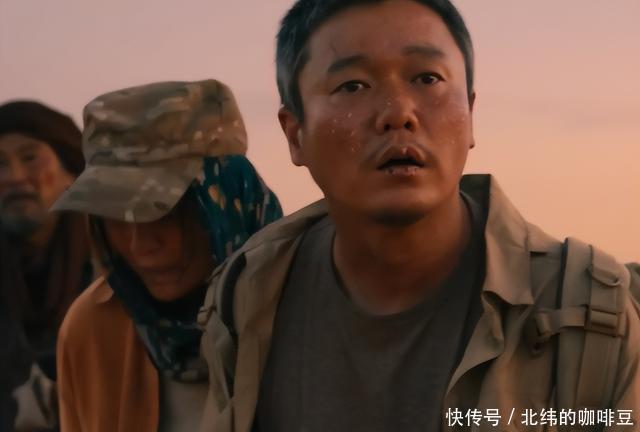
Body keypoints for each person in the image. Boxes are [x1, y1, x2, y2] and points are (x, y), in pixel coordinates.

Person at [198, 1, 640, 431]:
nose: (398, 114)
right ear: (295, 134)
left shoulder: (587, 313)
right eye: (352, 86)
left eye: (428, 78)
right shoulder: (249, 295)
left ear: (470, 115)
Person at [53, 80, 282, 431]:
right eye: (115, 215)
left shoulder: (309, 303)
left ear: (228, 202)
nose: (140, 245)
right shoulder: (92, 329)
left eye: (165, 210)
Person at [0, 100, 91, 431]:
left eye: (29, 158)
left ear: (71, 171)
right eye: (0, 164)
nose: (14, 178)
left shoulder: (119, 270)